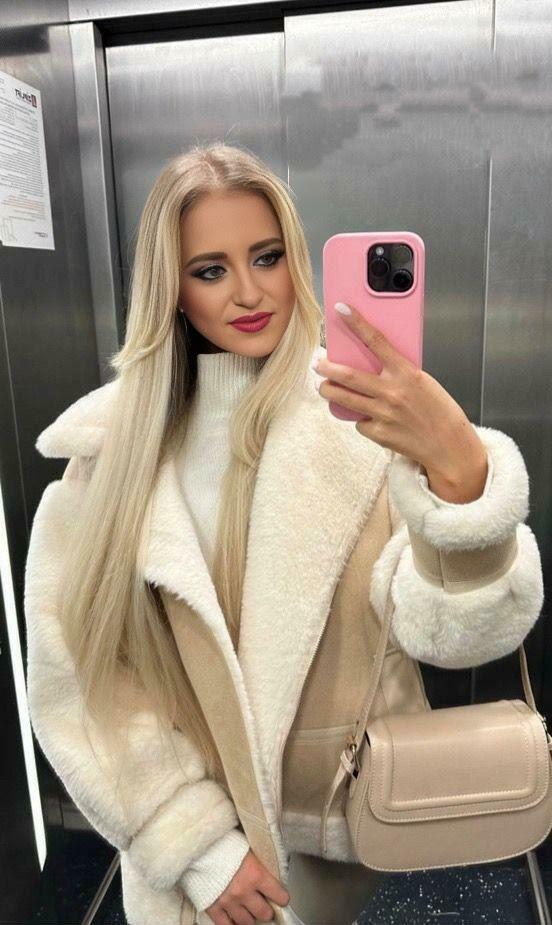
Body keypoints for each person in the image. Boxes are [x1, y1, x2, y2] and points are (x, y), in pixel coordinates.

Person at [24, 142, 544, 925]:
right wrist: (195, 842)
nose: (249, 291)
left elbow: (455, 637)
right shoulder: (111, 452)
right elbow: (79, 673)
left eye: (267, 256)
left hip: (325, 838)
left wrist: (461, 476)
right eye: (210, 269)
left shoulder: (358, 430)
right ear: (172, 292)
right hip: (185, 866)